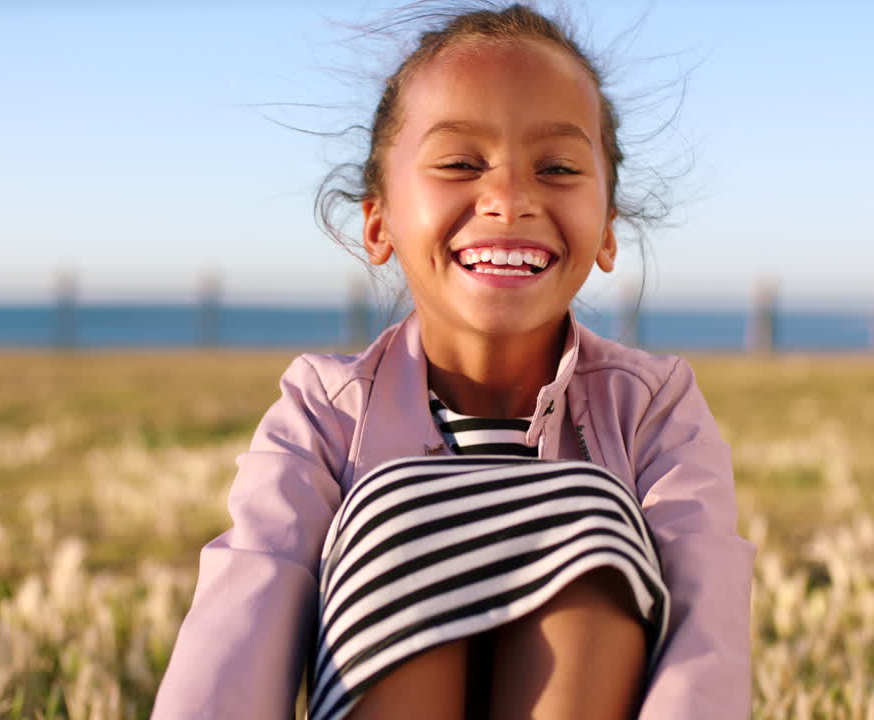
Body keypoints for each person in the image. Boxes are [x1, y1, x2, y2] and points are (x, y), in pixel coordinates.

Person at [152, 4, 754, 719]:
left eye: (558, 167)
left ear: (607, 234)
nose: (509, 199)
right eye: (460, 164)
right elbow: (247, 608)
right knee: (396, 514)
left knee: (590, 514)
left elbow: (705, 624)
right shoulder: (327, 405)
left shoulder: (653, 405)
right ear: (378, 224)